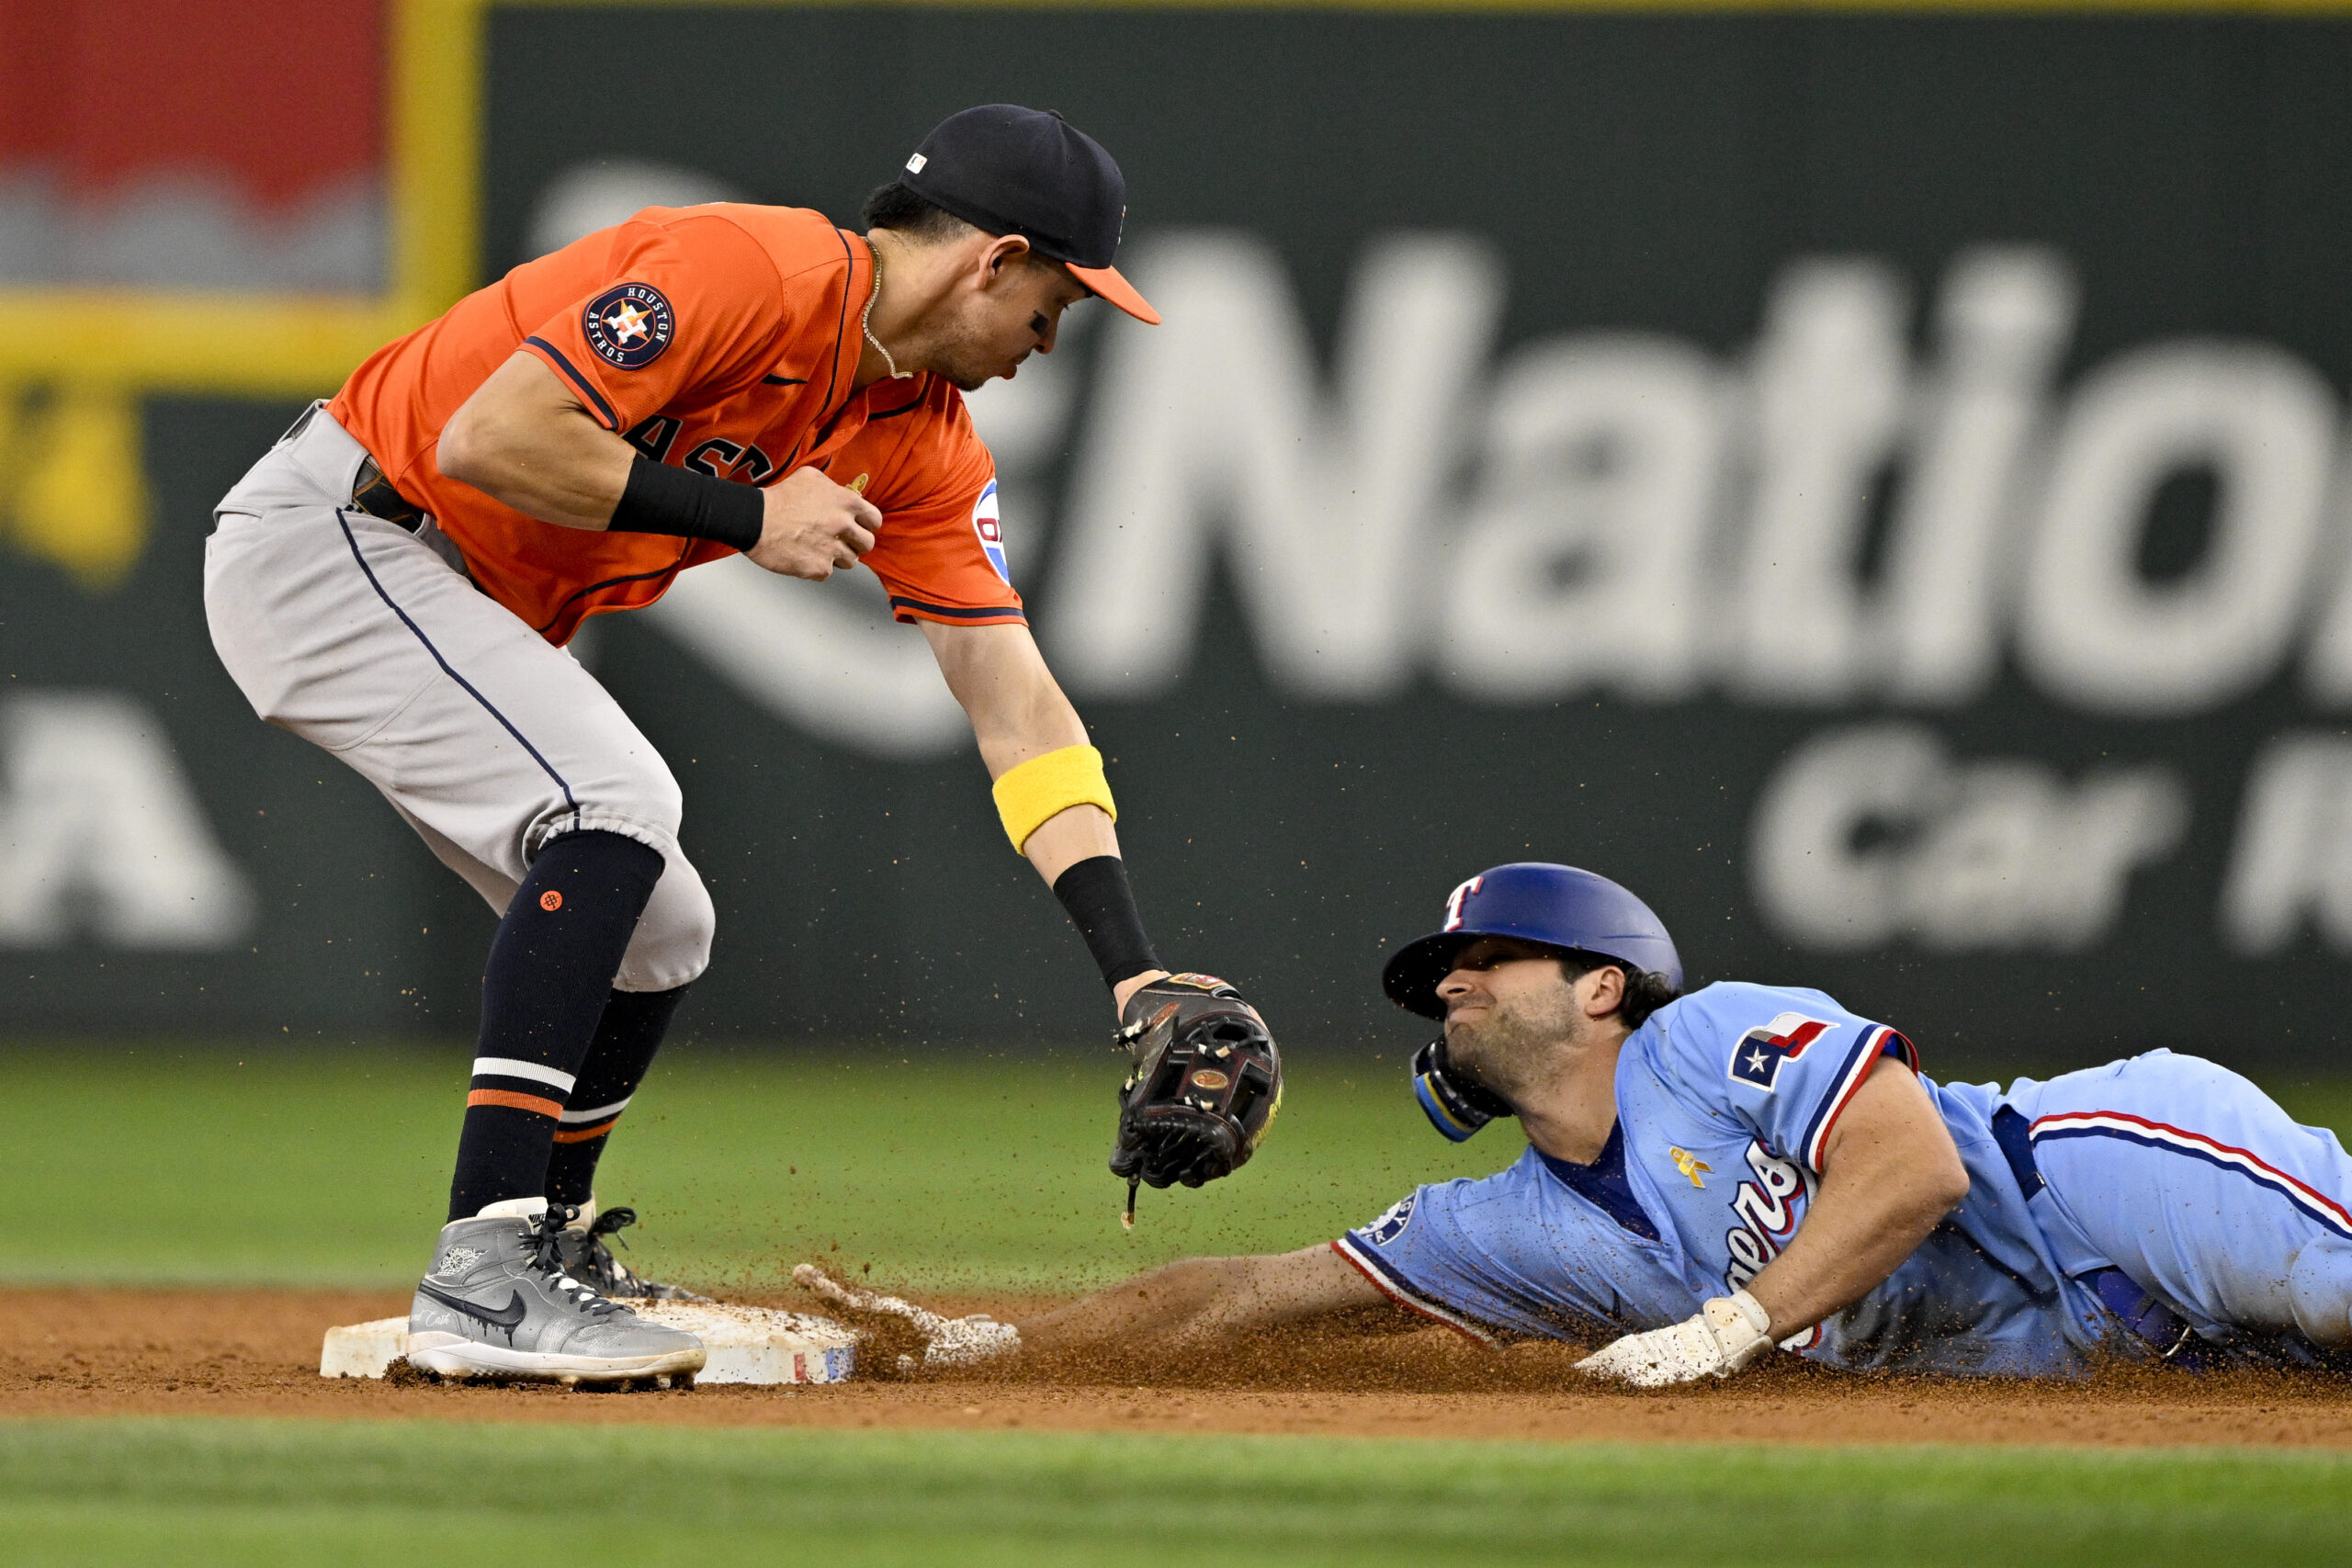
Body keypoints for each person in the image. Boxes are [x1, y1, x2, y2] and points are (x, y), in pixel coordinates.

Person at [203, 105, 1261, 1384]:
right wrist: (746, 511)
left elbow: (1013, 699)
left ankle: (547, 1243)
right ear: (994, 258)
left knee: (663, 931)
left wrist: (1133, 971)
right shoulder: (750, 273)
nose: (1051, 338)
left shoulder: (922, 437)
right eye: (1054, 301)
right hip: (346, 534)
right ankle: (482, 1272)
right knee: (614, 799)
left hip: (450, 593)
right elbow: (491, 438)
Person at [798, 861, 2352, 1383]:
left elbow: (1917, 1164)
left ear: (1601, 986)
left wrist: (1735, 1325)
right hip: (2080, 1350)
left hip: (2105, 1178)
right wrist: (983, 1346)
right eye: (1441, 977)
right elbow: (1252, 1298)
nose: (1453, 986)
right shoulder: (1505, 1223)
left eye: (1488, 960)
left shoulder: (1708, 1033)